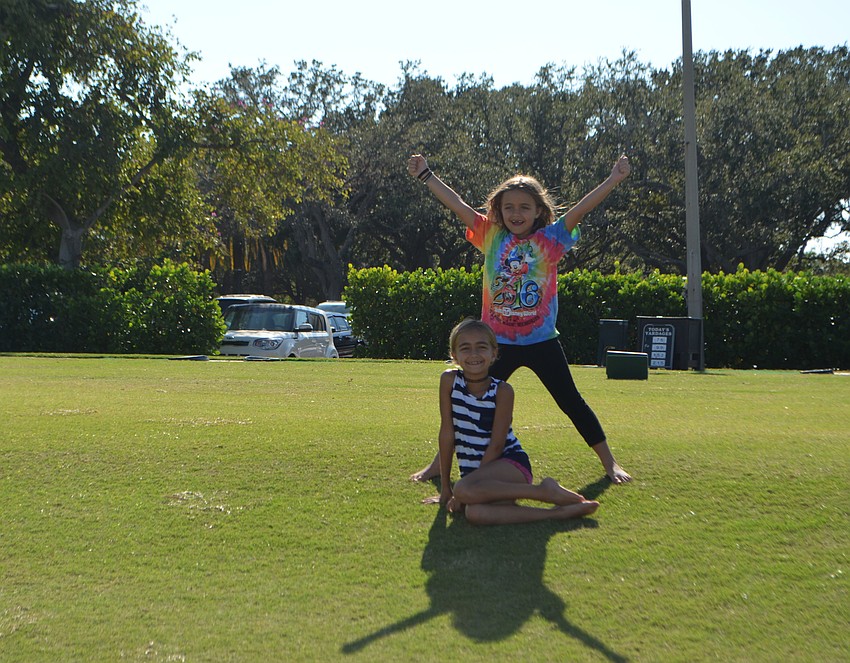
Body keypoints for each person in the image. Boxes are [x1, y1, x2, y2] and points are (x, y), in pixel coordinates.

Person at [408, 153, 633, 485]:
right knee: (468, 401)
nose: (516, 213)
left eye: (524, 207)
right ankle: (439, 465)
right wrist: (426, 175)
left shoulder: (551, 240)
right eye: (509, 207)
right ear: (498, 210)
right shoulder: (491, 236)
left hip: (542, 341)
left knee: (570, 401)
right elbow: (456, 204)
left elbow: (581, 208)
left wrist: (614, 179)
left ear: (538, 211)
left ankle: (610, 463)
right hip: (497, 344)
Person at [427, 318, 599, 525]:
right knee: (475, 513)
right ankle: (556, 514)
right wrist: (446, 488)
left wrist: (463, 491)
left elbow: (498, 444)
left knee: (463, 490)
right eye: (465, 348)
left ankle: (542, 491)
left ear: (494, 353)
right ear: (454, 355)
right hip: (476, 480)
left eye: (481, 347)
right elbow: (447, 433)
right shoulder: (449, 381)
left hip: (510, 466)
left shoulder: (502, 391)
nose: (474, 354)